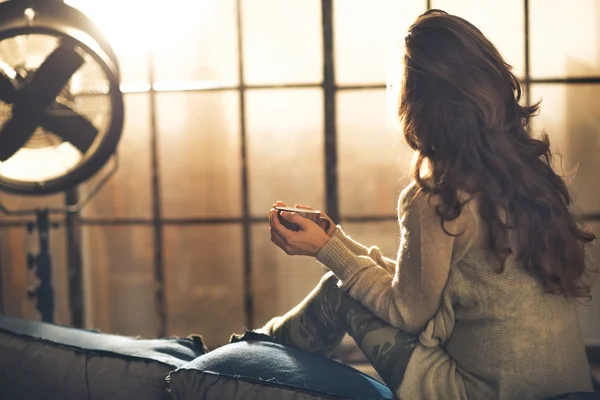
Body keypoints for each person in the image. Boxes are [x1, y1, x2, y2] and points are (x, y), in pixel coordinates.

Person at [260, 9, 597, 400]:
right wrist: (334, 241)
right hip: (565, 385)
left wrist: (325, 252)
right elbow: (420, 287)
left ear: (420, 105)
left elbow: (409, 311)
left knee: (338, 291)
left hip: (475, 392)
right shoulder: (533, 178)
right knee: (349, 280)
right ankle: (254, 348)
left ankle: (248, 358)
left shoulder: (441, 197)